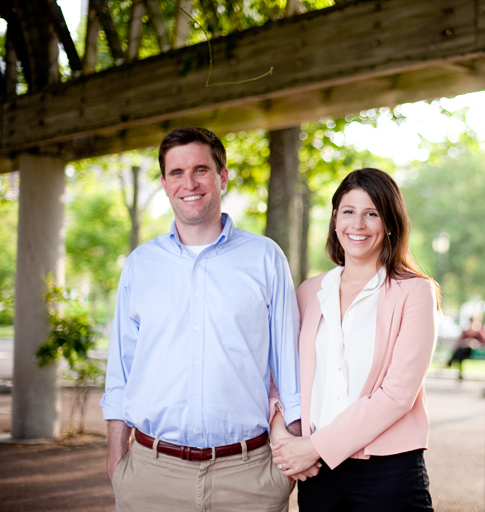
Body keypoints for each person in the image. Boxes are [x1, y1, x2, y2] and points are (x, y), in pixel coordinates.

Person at [100, 127, 303, 511]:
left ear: (222, 176)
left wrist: (286, 467)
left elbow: (288, 370)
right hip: (150, 476)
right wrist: (117, 461)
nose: (188, 183)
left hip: (248, 478)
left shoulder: (266, 259)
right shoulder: (141, 265)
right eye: (176, 173)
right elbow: (121, 373)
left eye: (200, 170)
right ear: (164, 183)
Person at [270, 168, 438, 511]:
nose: (357, 224)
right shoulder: (309, 292)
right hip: (318, 475)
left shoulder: (415, 293)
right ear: (335, 219)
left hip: (388, 472)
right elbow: (281, 374)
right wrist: (281, 434)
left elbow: (397, 394)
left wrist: (315, 446)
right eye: (348, 211)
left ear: (389, 223)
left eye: (371, 213)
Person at [447, 314, 485, 380]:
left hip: (474, 350)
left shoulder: (479, 331)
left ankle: (450, 363)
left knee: (459, 352)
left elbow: (483, 342)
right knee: (460, 352)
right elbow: (460, 341)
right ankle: (453, 366)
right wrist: (467, 341)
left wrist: (474, 342)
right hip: (465, 349)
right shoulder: (467, 330)